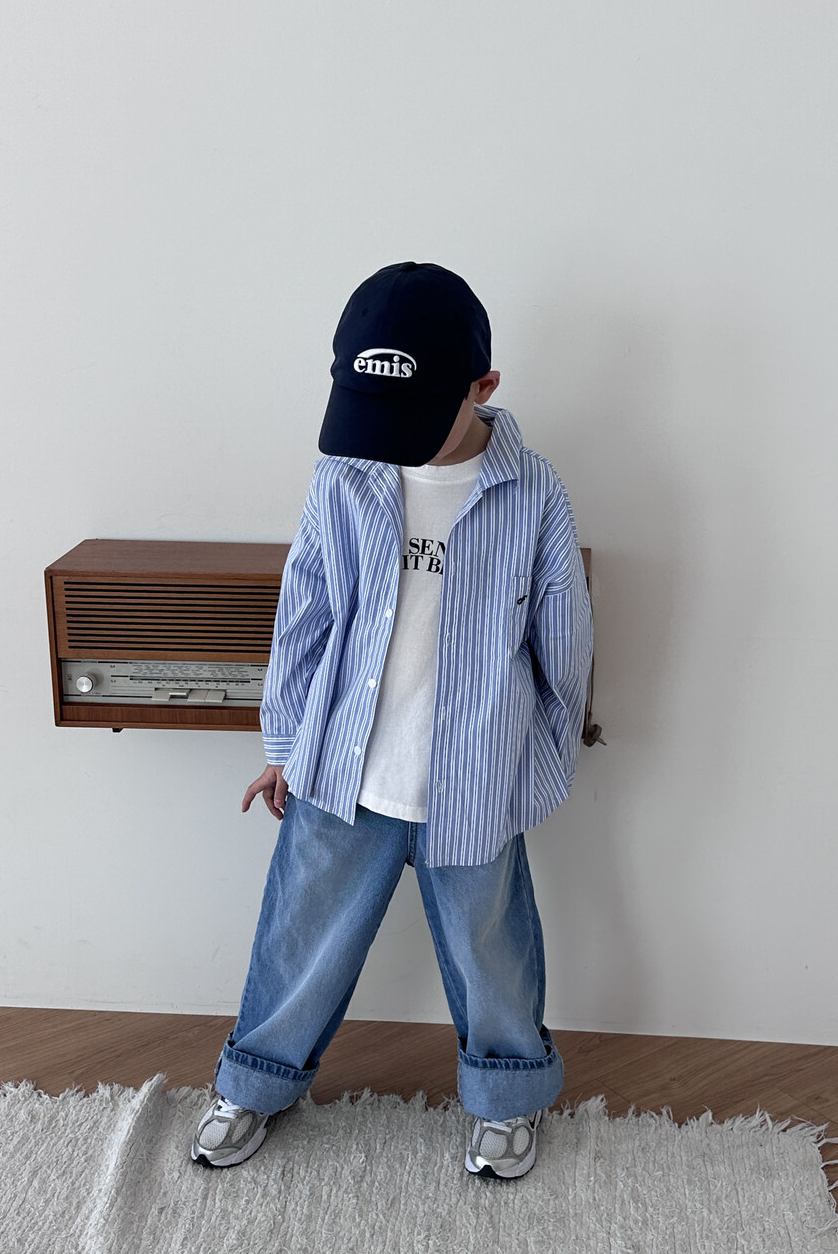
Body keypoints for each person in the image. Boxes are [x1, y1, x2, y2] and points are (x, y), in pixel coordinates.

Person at [190, 261, 594, 1179]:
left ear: (483, 387)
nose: (389, 440)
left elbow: (563, 642)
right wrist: (285, 743)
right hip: (342, 773)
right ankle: (254, 1082)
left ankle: (506, 1096)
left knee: (492, 952)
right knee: (301, 939)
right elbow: (305, 613)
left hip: (475, 780)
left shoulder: (533, 493)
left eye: (411, 415)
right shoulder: (347, 475)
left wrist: (538, 762)